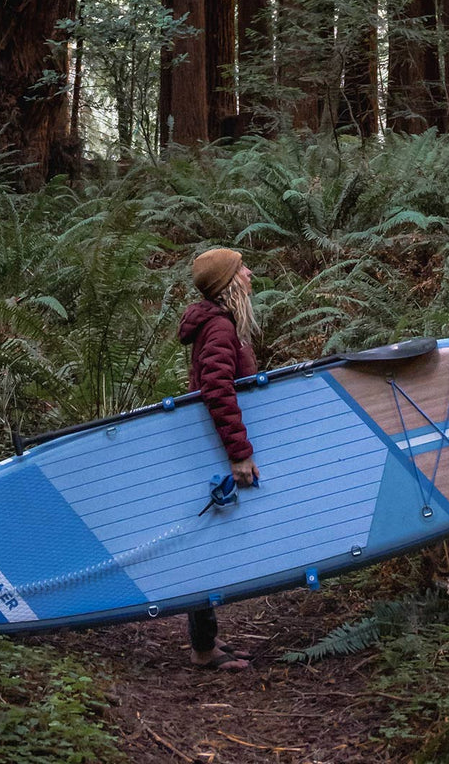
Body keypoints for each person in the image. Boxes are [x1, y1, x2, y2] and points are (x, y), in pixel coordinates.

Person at [178, 247, 261, 671]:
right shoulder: (220, 329)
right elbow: (216, 388)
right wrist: (239, 453)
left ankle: (205, 645)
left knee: (210, 541)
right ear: (229, 284)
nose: (249, 272)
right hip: (217, 447)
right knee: (208, 543)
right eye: (242, 267)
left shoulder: (219, 325)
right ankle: (204, 648)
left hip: (216, 444)